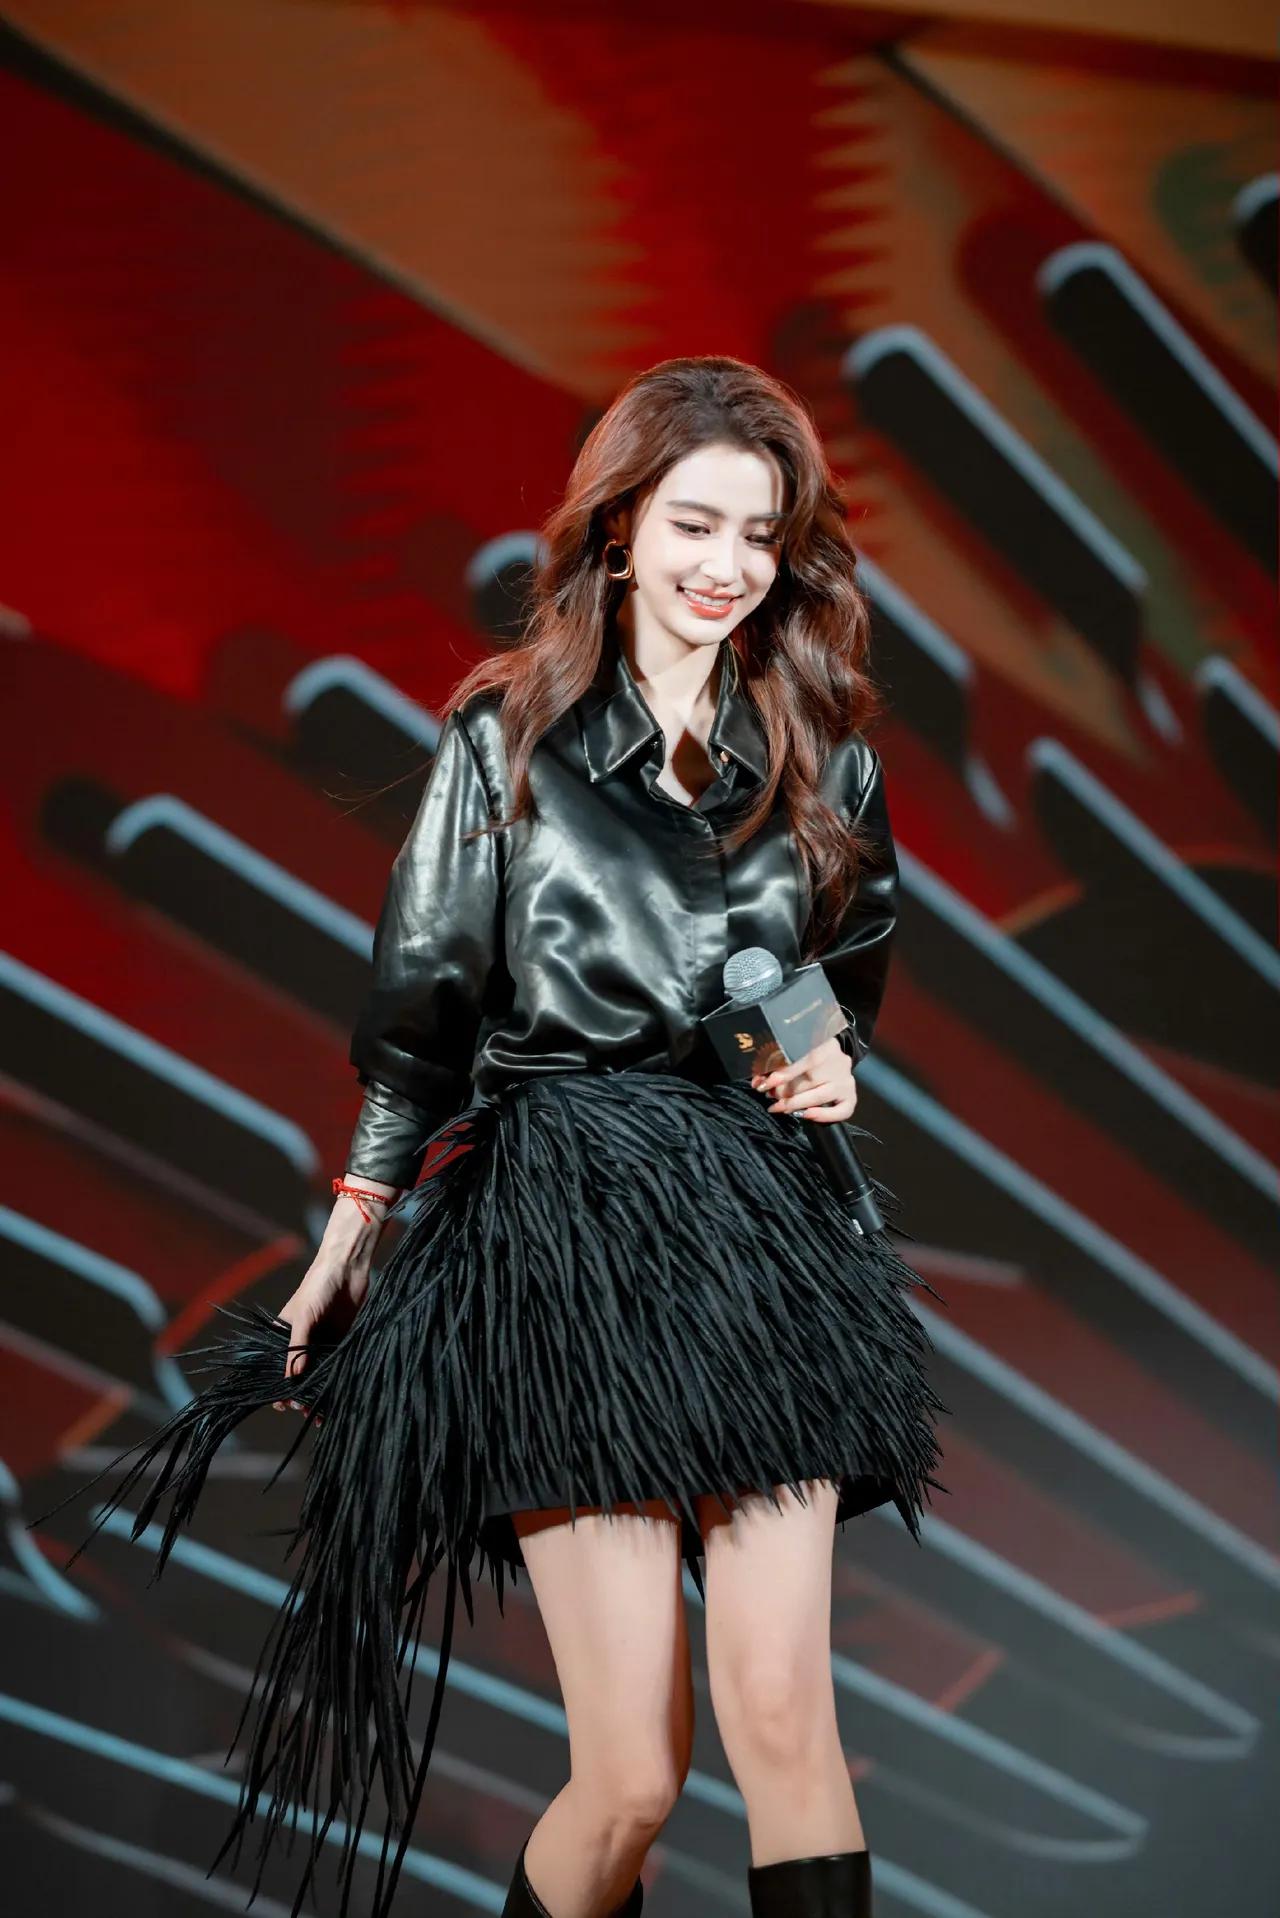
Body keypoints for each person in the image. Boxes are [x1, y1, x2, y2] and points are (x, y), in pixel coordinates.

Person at [35, 356, 949, 1918]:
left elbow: (838, 975)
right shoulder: (507, 740)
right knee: (633, 1777)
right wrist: (347, 1243)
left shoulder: (823, 750)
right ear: (620, 528)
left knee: (789, 1719)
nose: (729, 564)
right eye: (696, 523)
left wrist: (829, 1062)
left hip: (768, 1248)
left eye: (761, 533)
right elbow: (423, 1017)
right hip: (567, 1240)